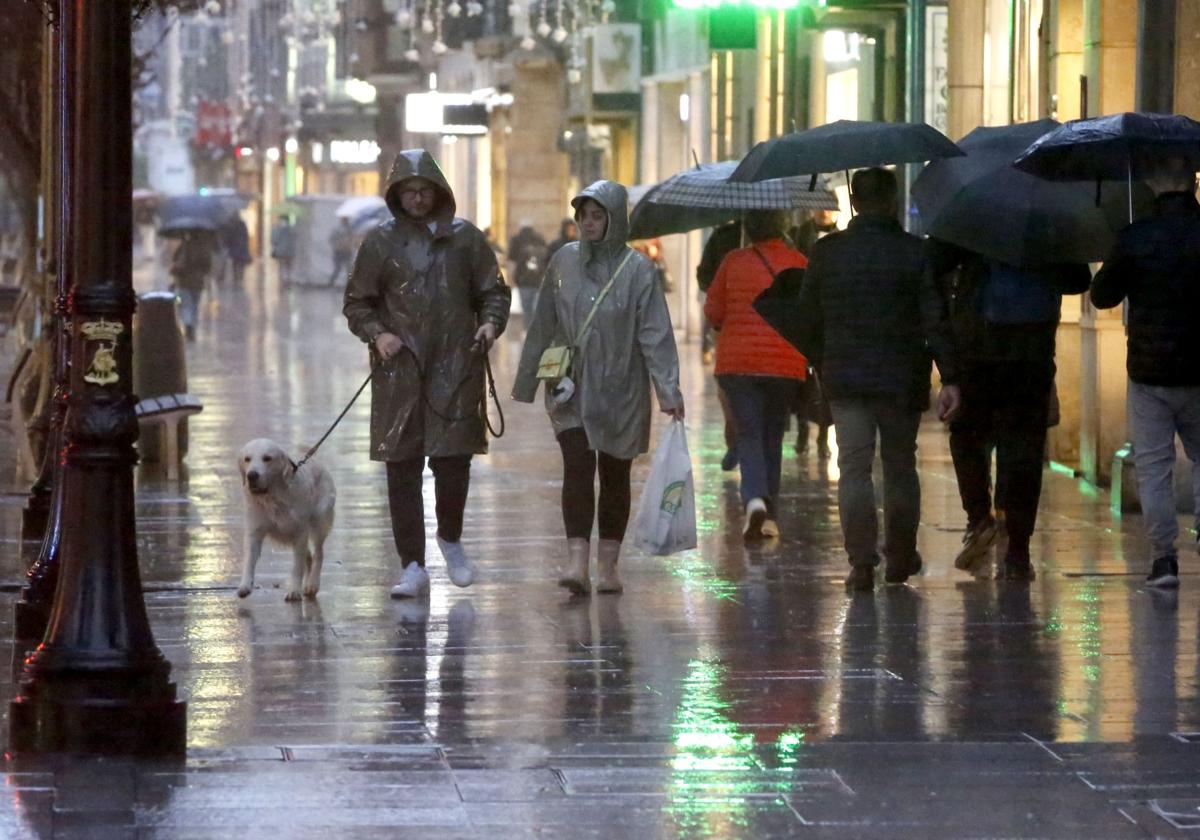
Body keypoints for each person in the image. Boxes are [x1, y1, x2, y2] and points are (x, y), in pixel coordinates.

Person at [343, 150, 511, 599]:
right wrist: (378, 334)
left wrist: (490, 324)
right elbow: (357, 302)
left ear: (438, 191)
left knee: (453, 460)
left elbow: (493, 290)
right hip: (399, 369)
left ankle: (450, 538)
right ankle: (412, 564)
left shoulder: (466, 241)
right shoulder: (380, 244)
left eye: (424, 190)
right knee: (402, 467)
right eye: (409, 191)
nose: (417, 199)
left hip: (456, 363)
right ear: (397, 195)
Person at [513, 180, 684, 595]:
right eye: (583, 217)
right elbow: (544, 322)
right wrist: (527, 381)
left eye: (596, 216)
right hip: (569, 385)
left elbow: (654, 334)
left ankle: (607, 566)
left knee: (614, 473)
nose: (588, 224)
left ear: (614, 219)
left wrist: (668, 391)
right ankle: (576, 563)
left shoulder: (639, 270)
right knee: (576, 465)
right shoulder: (563, 262)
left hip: (622, 389)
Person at [795, 168, 960, 591]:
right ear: (891, 201)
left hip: (845, 377)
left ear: (853, 200)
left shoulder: (827, 253)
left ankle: (862, 563)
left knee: (853, 467)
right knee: (900, 466)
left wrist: (820, 361)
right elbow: (934, 318)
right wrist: (952, 376)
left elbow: (805, 318)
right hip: (901, 377)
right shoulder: (915, 252)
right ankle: (901, 554)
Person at [928, 240, 1090, 581]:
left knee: (967, 437)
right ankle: (1018, 549)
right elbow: (1079, 280)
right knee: (1025, 452)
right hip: (1032, 355)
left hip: (978, 353)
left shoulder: (972, 220)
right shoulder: (1048, 221)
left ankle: (978, 518)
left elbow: (931, 265)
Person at [1091, 154, 1200, 588]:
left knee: (1154, 466)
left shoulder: (1136, 237)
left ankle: (1164, 559)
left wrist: (1123, 257)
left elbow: (1101, 297)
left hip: (1150, 371)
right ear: (1192, 184)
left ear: (1154, 187)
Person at [704, 210, 808, 541]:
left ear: (749, 228)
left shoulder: (733, 261)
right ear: (782, 226)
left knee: (748, 433)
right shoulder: (799, 261)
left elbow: (713, 312)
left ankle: (754, 500)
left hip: (739, 363)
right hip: (785, 363)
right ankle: (770, 513)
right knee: (772, 436)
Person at [696, 220, 744, 468]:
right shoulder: (782, 240)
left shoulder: (721, 237)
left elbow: (703, 277)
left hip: (727, 324)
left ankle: (735, 439)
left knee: (728, 382)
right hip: (763, 326)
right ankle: (740, 442)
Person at [169, 229, 213, 342]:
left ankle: (188, 327)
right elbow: (208, 266)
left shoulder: (185, 247)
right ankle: (192, 327)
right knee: (194, 305)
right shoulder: (204, 248)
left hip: (184, 281)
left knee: (185, 305)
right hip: (198, 282)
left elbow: (176, 261)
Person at [507, 220, 549, 323]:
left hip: (523, 280)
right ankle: (537, 330)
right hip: (539, 278)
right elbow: (547, 259)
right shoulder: (540, 239)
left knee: (526, 307)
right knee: (537, 307)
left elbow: (511, 261)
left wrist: (512, 279)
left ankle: (527, 330)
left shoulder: (516, 240)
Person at [221, 213, 251, 285]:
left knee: (237, 263)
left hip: (236, 247)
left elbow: (228, 237)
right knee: (239, 263)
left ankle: (237, 278)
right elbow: (246, 235)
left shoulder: (231, 225)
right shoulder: (241, 224)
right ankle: (239, 278)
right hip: (239, 246)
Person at [328, 217, 354, 286]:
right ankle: (331, 282)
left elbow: (352, 239)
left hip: (346, 251)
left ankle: (349, 283)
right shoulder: (337, 229)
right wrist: (338, 244)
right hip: (339, 251)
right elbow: (331, 239)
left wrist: (349, 244)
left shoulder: (350, 229)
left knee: (348, 268)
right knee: (338, 268)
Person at [271, 215, 297, 284]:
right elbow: (296, 237)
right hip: (291, 249)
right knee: (289, 264)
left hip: (281, 250)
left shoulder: (278, 228)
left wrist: (275, 246)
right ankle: (289, 277)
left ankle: (283, 278)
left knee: (282, 264)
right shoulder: (293, 228)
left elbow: (274, 239)